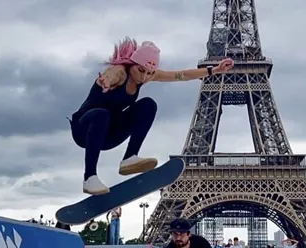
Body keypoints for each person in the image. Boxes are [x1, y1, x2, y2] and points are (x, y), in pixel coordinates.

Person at [69, 37, 235, 195]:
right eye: (141, 70)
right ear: (133, 64)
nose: (144, 77)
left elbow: (181, 75)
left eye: (149, 73)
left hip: (109, 136)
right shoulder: (119, 72)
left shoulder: (146, 75)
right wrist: (106, 81)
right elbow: (111, 75)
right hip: (84, 130)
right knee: (101, 115)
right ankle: (89, 177)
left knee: (148, 104)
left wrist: (213, 70)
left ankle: (129, 158)